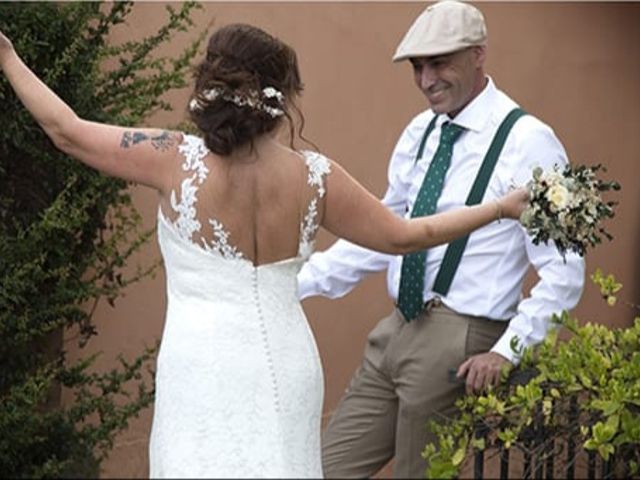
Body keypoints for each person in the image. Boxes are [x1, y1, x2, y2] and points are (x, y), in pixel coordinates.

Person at [0, 22, 529, 479]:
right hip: (288, 365)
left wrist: (8, 57)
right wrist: (500, 208)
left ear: (211, 84)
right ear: (284, 94)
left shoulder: (170, 159)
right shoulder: (316, 177)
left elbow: (64, 131)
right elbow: (407, 235)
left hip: (200, 366)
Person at [297, 1, 586, 478]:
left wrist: (506, 349)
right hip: (396, 329)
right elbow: (384, 233)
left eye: (439, 63)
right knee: (322, 469)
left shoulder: (531, 141)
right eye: (417, 66)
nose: (426, 80)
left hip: (461, 338)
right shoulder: (421, 131)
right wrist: (298, 284)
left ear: (478, 55)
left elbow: (565, 268)